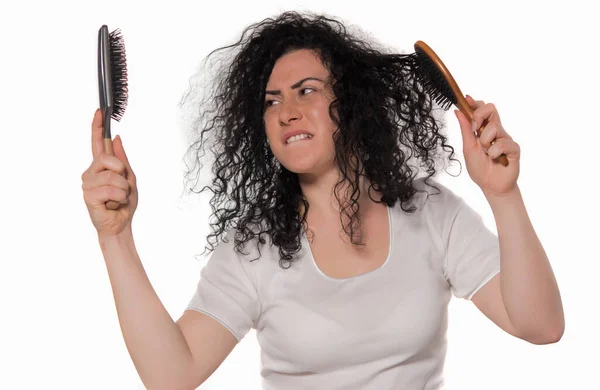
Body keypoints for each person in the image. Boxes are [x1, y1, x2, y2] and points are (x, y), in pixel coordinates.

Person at [81, 11, 564, 390]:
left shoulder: (433, 213)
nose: (286, 113)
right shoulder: (255, 247)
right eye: (271, 102)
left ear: (351, 103)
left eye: (305, 92)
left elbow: (540, 325)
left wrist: (504, 195)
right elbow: (172, 376)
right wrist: (116, 237)